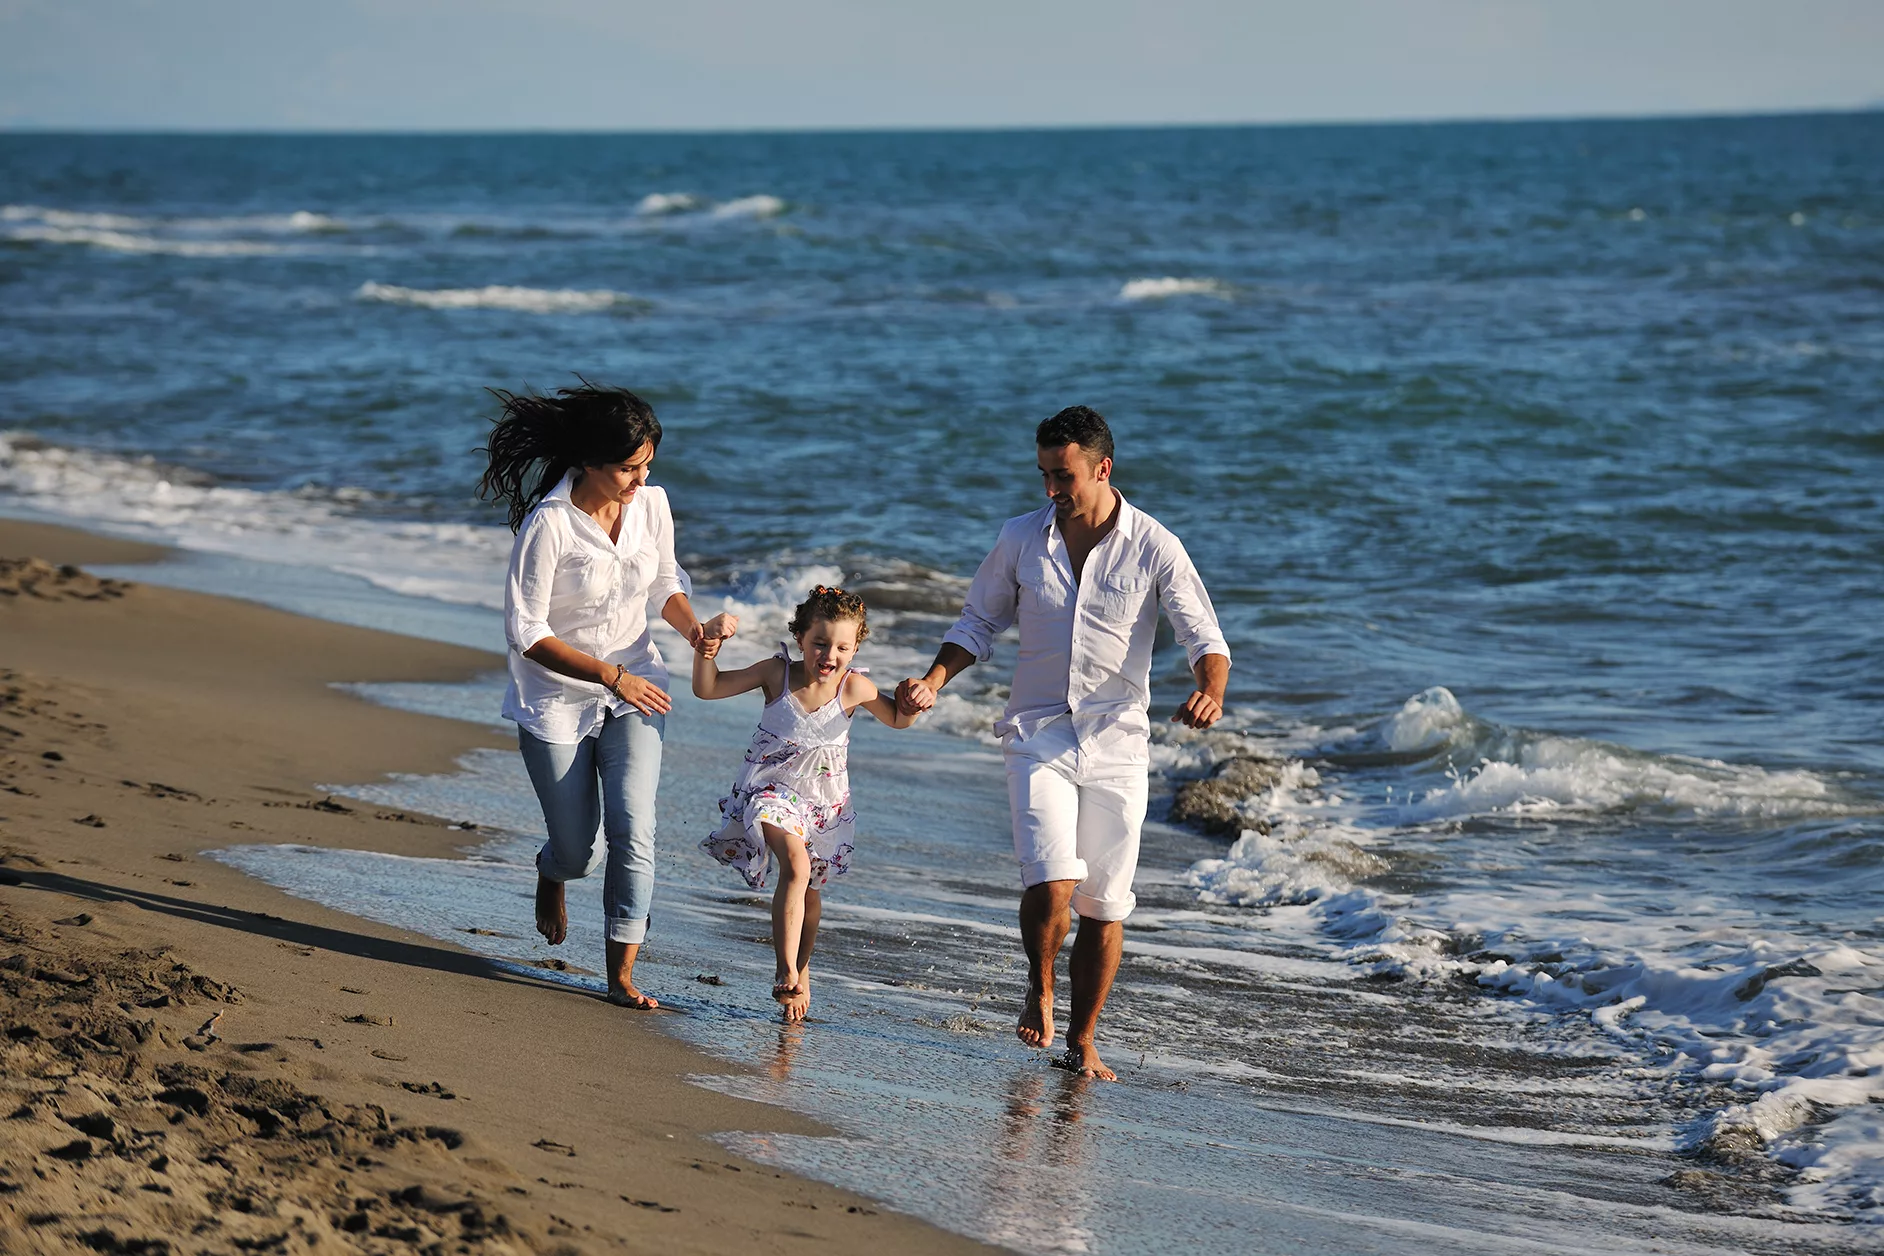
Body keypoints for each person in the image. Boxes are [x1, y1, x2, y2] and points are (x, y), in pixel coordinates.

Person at [896, 406, 1230, 1079]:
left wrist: (1210, 691)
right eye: (1044, 474)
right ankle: (1040, 985)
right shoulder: (1021, 538)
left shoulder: (1155, 545)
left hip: (1118, 742)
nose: (1051, 488)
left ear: (1102, 469)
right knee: (1052, 881)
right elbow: (978, 621)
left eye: (1064, 475)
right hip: (1038, 732)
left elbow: (1205, 637)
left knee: (1105, 905)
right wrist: (933, 679)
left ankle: (1083, 1040)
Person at [478, 382, 735, 1010]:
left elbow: (664, 582)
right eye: (627, 467)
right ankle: (551, 871)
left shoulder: (651, 505)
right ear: (588, 461)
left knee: (634, 828)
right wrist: (608, 675)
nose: (640, 479)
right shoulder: (549, 526)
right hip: (556, 701)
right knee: (579, 851)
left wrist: (695, 629)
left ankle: (620, 974)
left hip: (637, 688)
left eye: (647, 463)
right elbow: (527, 632)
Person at [693, 585, 918, 1022]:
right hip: (770, 794)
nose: (828, 655)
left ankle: (801, 968)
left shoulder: (854, 688)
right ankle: (785, 968)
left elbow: (899, 719)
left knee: (811, 893)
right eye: (819, 643)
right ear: (799, 638)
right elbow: (708, 688)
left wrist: (913, 701)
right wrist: (707, 648)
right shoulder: (776, 674)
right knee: (795, 868)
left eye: (841, 647)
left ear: (855, 649)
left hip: (824, 807)